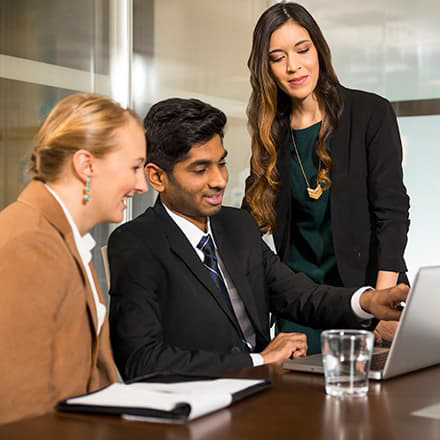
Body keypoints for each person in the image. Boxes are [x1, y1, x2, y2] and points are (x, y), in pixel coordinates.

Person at [108, 97, 408, 379]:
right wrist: (260, 360)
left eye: (221, 163)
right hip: (204, 409)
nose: (219, 180)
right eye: (201, 170)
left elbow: (300, 295)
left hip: (268, 392)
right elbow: (141, 360)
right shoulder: (136, 243)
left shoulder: (237, 226)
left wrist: (369, 301)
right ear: (157, 177)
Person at [244, 2, 410, 353]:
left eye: (302, 50)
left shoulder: (369, 113)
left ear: (318, 49)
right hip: (303, 313)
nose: (293, 66)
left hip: (373, 303)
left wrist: (382, 306)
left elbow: (392, 215)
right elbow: (245, 228)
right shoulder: (270, 136)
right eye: (277, 57)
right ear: (266, 68)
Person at [0, 93, 147, 424]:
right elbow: (16, 406)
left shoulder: (64, 237)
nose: (141, 185)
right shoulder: (31, 244)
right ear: (86, 165)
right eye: (135, 167)